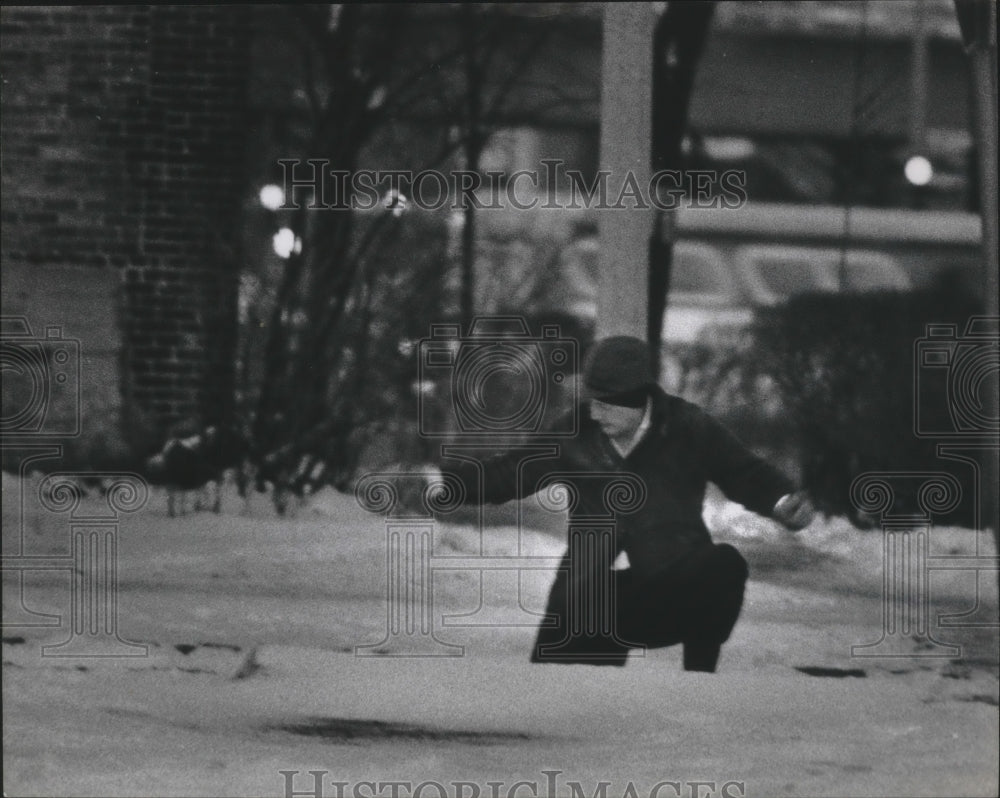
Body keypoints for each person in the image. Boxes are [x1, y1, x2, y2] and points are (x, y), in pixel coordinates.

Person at [438, 335, 815, 672]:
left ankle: (699, 678)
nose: (595, 413)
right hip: (591, 596)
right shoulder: (574, 433)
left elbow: (743, 471)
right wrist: (445, 483)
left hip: (670, 584)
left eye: (606, 405)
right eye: (592, 402)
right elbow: (512, 472)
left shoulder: (686, 427)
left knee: (724, 566)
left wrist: (781, 501)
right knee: (562, 685)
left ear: (636, 400)